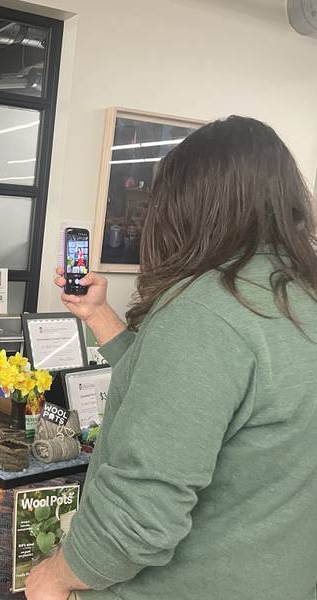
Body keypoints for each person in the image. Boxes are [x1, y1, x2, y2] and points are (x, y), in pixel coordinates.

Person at [25, 116, 317, 600]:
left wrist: (57, 575)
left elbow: (142, 507)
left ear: (189, 204)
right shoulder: (296, 294)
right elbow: (204, 392)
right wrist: (99, 317)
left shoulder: (207, 309)